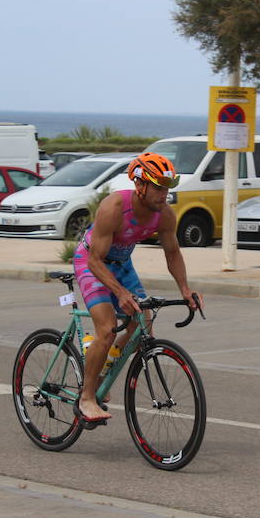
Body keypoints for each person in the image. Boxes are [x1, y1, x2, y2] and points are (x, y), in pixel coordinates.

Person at [72, 152, 204, 423]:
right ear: (140, 185)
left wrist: (185, 289)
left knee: (142, 321)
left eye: (166, 188)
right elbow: (95, 260)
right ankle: (87, 397)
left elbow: (173, 253)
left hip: (121, 264)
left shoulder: (165, 214)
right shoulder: (114, 207)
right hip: (91, 262)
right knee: (107, 328)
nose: (163, 195)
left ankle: (104, 360)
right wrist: (120, 293)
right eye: (157, 188)